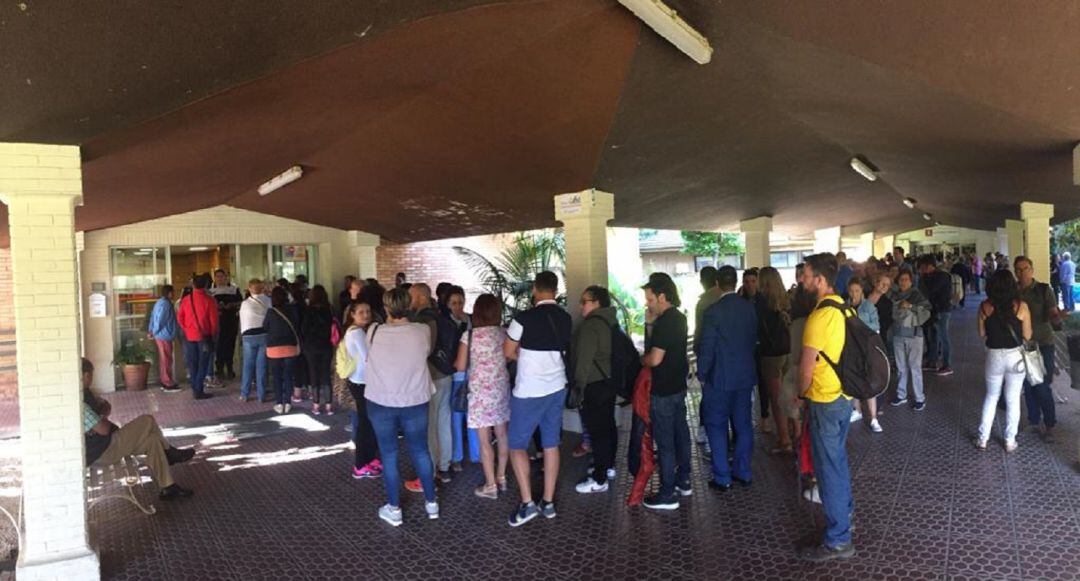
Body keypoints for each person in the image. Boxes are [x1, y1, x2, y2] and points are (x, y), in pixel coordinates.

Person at [797, 253, 855, 562]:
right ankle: (845, 519)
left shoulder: (819, 316)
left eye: (806, 275)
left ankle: (838, 540)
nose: (802, 280)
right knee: (838, 463)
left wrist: (800, 395)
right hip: (843, 397)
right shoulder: (843, 308)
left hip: (824, 400)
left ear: (820, 280)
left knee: (829, 471)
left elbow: (806, 369)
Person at [365, 288, 439, 526]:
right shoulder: (422, 331)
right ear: (409, 305)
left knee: (389, 454)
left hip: (381, 401)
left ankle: (394, 508)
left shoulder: (373, 331)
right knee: (420, 450)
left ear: (386, 308)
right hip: (415, 399)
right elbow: (425, 353)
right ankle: (431, 503)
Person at [503, 271, 572, 526]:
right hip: (557, 387)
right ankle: (549, 502)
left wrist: (526, 355)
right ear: (555, 289)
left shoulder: (522, 319)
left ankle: (527, 503)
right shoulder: (565, 318)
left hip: (529, 391)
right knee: (551, 444)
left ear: (534, 289)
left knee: (517, 445)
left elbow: (508, 352)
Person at [81, 358, 196, 500]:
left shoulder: (85, 394)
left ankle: (168, 487)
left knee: (152, 441)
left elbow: (106, 408)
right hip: (103, 450)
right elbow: (103, 429)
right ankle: (169, 452)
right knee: (147, 420)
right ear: (86, 375)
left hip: (106, 444)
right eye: (91, 375)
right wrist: (100, 416)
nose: (92, 378)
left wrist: (100, 414)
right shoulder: (80, 403)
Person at [697, 266, 758, 491]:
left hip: (719, 378)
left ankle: (723, 477)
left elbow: (707, 347)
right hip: (744, 376)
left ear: (719, 284)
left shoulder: (713, 312)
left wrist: (702, 374)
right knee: (743, 425)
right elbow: (753, 340)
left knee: (717, 426)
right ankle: (743, 471)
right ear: (735, 282)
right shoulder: (749, 309)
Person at [640, 272, 692, 510]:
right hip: (678, 386)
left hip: (662, 391)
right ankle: (684, 481)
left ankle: (668, 493)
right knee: (681, 434)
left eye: (650, 300)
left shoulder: (665, 322)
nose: (648, 304)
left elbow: (655, 359)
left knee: (666, 441)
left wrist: (644, 359)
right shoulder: (679, 318)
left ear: (661, 297)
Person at [454, 294, 511, 498]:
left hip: (479, 393)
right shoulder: (504, 333)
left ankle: (490, 485)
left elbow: (460, 366)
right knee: (502, 434)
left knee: (484, 439)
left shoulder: (469, 336)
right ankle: (502, 477)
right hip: (501, 389)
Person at [977, 270, 1033, 452]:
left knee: (991, 396)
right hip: (1015, 356)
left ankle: (983, 439)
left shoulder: (985, 306)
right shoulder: (1021, 306)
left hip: (994, 355)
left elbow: (982, 334)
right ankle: (1010, 441)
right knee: (1013, 399)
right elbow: (1027, 335)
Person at [571, 286, 619, 494]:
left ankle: (599, 479)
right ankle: (608, 467)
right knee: (608, 426)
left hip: (594, 384)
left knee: (598, 431)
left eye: (585, 301)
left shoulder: (590, 326)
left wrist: (578, 387)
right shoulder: (611, 320)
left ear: (597, 302)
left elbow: (583, 360)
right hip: (609, 382)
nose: (581, 305)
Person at [408, 283, 454, 482]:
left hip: (431, 376)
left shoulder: (422, 320)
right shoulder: (440, 315)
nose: (409, 300)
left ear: (419, 297)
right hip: (446, 373)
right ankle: (445, 464)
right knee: (444, 420)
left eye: (411, 296)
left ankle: (432, 467)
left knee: (431, 424)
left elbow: (424, 350)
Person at [1015, 256, 1060, 440]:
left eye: (1025, 268)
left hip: (1043, 343)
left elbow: (1053, 313)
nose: (1022, 273)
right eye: (1018, 269)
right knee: (1029, 385)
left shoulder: (1043, 290)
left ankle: (1049, 424)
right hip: (1024, 345)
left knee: (1042, 385)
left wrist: (1056, 317)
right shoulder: (1013, 292)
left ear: (1032, 270)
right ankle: (1034, 420)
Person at [755, 267, 793, 452]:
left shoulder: (761, 302)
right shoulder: (786, 299)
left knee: (776, 399)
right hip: (786, 351)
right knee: (788, 395)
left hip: (770, 354)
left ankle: (784, 440)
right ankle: (797, 433)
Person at [342, 301, 382, 479]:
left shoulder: (357, 330)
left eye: (368, 311)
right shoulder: (357, 332)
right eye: (361, 312)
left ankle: (369, 459)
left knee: (368, 422)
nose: (366, 315)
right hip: (361, 382)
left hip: (360, 380)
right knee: (366, 424)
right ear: (352, 314)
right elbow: (369, 356)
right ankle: (360, 464)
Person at [446, 286, 480, 470]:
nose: (458, 306)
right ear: (448, 305)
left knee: (472, 416)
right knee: (456, 416)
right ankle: (456, 456)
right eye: (454, 303)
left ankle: (477, 454)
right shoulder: (447, 322)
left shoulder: (471, 320)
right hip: (456, 374)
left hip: (472, 373)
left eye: (460, 302)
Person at [889, 270, 932, 410]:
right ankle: (901, 395)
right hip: (898, 335)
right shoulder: (894, 296)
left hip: (914, 336)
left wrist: (911, 306)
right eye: (901, 279)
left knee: (915, 368)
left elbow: (927, 310)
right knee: (901, 367)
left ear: (911, 281)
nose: (903, 282)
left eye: (906, 279)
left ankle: (920, 398)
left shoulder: (916, 295)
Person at [846, 279, 881, 431]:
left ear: (862, 291)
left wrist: (859, 323)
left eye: (857, 291)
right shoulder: (845, 307)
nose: (854, 294)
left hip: (866, 349)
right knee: (853, 379)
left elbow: (876, 326)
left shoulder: (868, 306)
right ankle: (857, 410)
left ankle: (873, 418)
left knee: (869, 381)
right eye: (852, 291)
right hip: (851, 348)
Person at [176, 273, 218, 400]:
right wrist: (213, 333)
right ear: (205, 285)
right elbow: (214, 322)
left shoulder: (186, 300)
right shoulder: (209, 300)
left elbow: (180, 317)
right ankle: (199, 390)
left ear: (193, 285)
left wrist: (187, 328)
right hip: (204, 336)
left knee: (192, 363)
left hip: (189, 336)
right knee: (203, 364)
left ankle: (195, 387)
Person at [693, 266, 722, 448]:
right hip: (726, 353)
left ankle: (705, 428)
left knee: (708, 392)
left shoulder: (704, 302)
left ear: (702, 281)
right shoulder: (724, 296)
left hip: (708, 352)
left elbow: (700, 331)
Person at [265, 286, 301, 414]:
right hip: (290, 348)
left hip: (274, 349)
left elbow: (265, 327)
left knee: (277, 377)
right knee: (288, 376)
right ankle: (288, 403)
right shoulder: (293, 310)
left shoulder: (271, 312)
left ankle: (279, 403)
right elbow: (297, 326)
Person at [302, 285, 337, 415]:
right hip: (326, 345)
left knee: (313, 374)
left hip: (311, 347)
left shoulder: (308, 310)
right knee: (326, 375)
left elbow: (303, 329)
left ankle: (316, 405)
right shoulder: (330, 309)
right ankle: (329, 405)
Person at [918, 255, 954, 376]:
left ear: (930, 266)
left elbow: (929, 291)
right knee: (933, 336)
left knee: (943, 337)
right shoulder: (931, 276)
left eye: (923, 267)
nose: (921, 270)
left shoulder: (942, 276)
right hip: (933, 311)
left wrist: (923, 278)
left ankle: (947, 364)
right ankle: (932, 362)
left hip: (942, 310)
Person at [209, 269, 243, 381]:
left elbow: (241, 302)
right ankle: (219, 369)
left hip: (231, 320)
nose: (220, 279)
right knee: (219, 346)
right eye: (217, 276)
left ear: (226, 277)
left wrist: (231, 305)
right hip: (218, 322)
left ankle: (229, 368)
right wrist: (217, 307)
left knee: (230, 345)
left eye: (222, 276)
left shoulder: (233, 289)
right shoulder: (211, 290)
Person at [147, 284, 181, 392]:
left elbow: (153, 317)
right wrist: (154, 331)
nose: (174, 294)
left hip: (161, 335)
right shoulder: (166, 304)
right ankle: (167, 383)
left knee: (164, 359)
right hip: (164, 335)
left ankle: (165, 380)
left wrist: (151, 330)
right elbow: (160, 320)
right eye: (173, 292)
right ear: (169, 293)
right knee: (166, 359)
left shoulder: (159, 302)